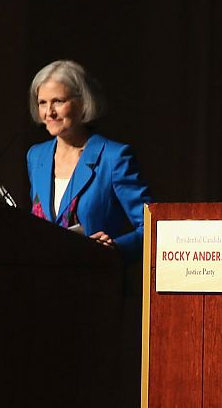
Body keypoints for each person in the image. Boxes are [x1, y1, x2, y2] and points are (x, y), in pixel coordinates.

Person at [25, 59, 152, 261]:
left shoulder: (114, 157)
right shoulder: (36, 156)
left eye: (58, 101)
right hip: (41, 280)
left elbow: (152, 228)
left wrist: (114, 248)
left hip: (94, 279)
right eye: (42, 103)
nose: (49, 112)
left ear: (83, 102)